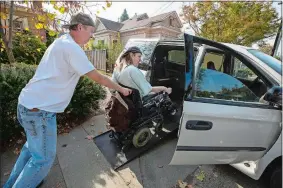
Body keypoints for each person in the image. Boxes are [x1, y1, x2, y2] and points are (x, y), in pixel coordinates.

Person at [4, 13, 131, 188]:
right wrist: (122, 88)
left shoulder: (61, 41)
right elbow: (99, 78)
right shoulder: (71, 48)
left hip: (28, 105)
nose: (91, 36)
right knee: (43, 160)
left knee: (30, 151)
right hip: (39, 112)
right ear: (79, 27)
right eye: (91, 32)